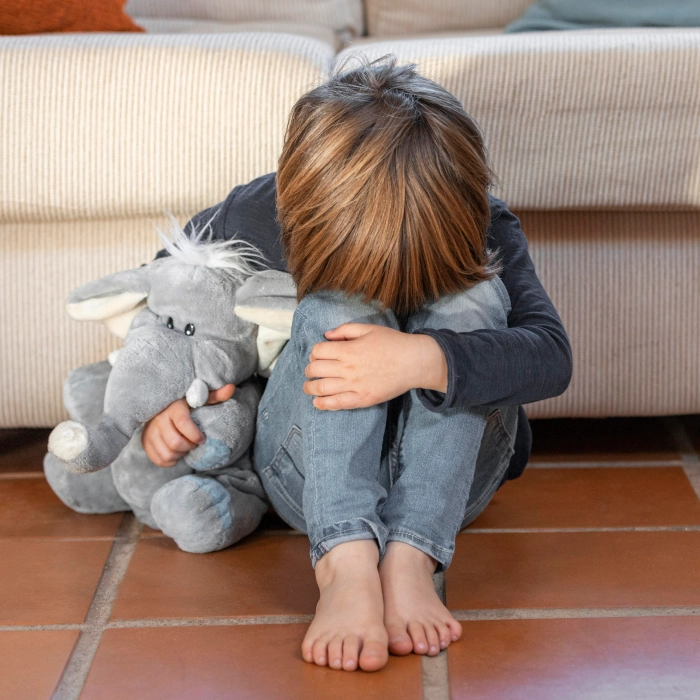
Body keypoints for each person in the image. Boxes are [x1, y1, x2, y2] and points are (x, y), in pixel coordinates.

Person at [142, 58, 572, 672]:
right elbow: (171, 301)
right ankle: (343, 562)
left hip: (454, 489)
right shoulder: (259, 213)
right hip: (307, 476)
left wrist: (423, 359)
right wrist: (165, 400)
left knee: (473, 296)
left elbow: (552, 358)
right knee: (335, 304)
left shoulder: (484, 221)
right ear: (300, 211)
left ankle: (411, 557)